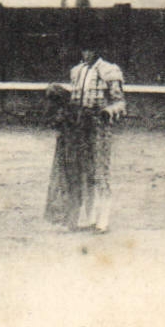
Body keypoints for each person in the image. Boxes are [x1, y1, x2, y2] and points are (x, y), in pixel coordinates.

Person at [45, 43, 127, 233]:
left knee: (99, 172)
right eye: (83, 49)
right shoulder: (76, 71)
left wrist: (107, 112)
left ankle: (102, 221)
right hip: (77, 128)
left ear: (97, 50)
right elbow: (74, 100)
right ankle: (84, 218)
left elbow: (120, 103)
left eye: (89, 50)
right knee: (78, 172)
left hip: (98, 128)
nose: (86, 53)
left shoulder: (109, 71)